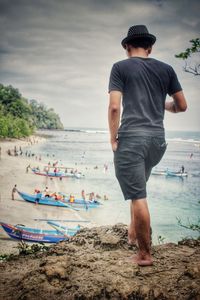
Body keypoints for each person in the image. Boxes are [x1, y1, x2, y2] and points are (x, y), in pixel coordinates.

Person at [108, 25, 187, 266]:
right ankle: (133, 236)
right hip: (158, 141)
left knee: (138, 195)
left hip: (132, 138)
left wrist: (113, 137)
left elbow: (114, 107)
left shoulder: (120, 67)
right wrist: (160, 104)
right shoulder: (166, 69)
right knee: (138, 190)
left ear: (126, 47)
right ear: (149, 47)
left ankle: (144, 254)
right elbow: (182, 105)